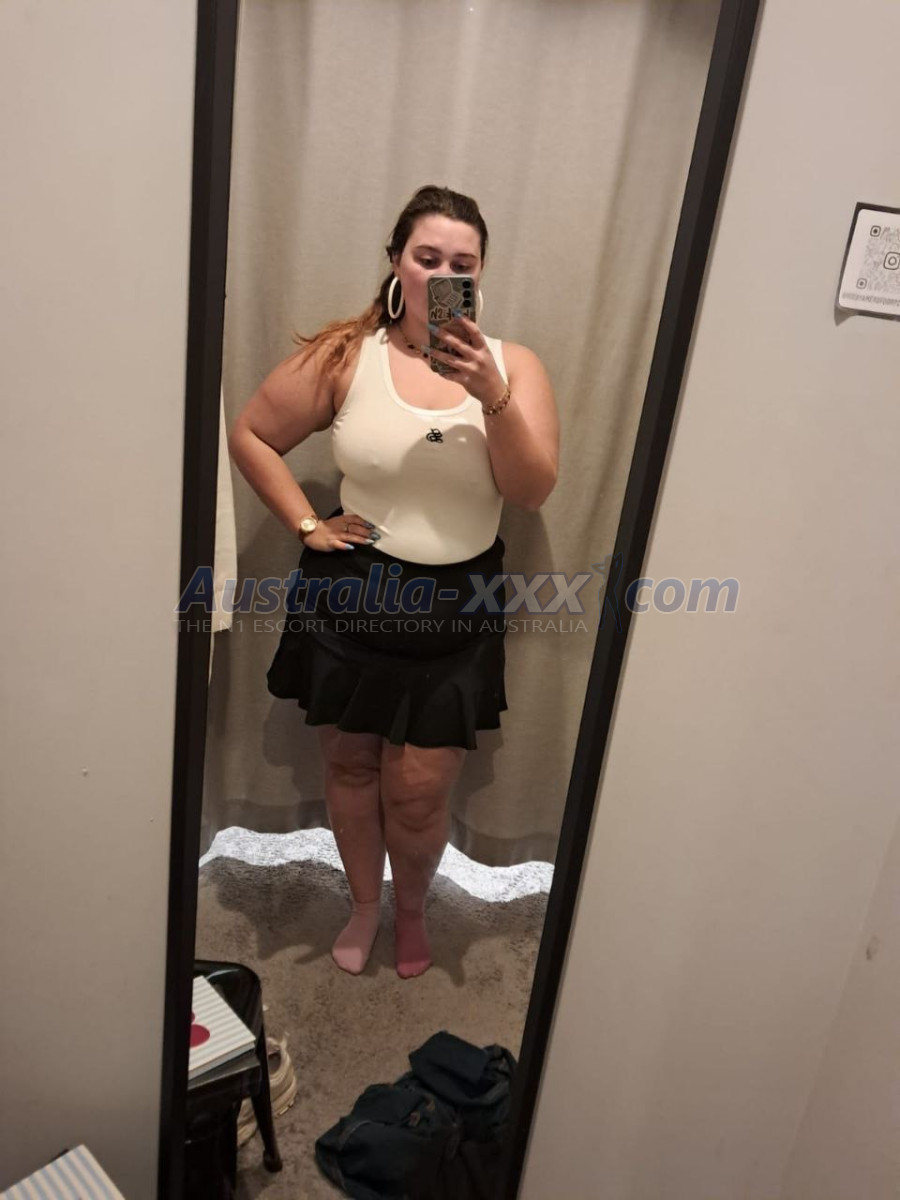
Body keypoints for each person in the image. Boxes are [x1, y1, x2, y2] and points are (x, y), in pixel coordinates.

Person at [229, 185, 558, 980]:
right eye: (427, 257)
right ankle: (361, 905)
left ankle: (409, 910)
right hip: (349, 593)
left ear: (480, 275)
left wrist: (491, 394)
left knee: (417, 794)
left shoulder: (513, 367)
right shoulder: (350, 356)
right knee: (348, 768)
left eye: (461, 264)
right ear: (396, 261)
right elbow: (252, 434)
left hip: (455, 607)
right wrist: (307, 524)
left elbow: (531, 490)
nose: (444, 274)